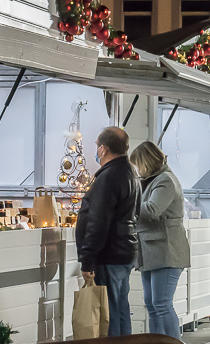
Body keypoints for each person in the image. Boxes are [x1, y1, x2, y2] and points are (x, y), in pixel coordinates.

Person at [76, 127, 141, 336]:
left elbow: (98, 221)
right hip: (125, 251)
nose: (96, 150)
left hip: (109, 253)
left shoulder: (108, 177)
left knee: (108, 312)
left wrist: (87, 259)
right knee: (120, 308)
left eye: (97, 146)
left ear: (103, 149)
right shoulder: (131, 173)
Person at [129, 141, 191, 340]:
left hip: (166, 250)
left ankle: (173, 342)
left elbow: (152, 210)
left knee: (162, 304)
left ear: (146, 162)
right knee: (152, 305)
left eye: (138, 164)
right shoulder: (150, 180)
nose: (137, 169)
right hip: (151, 251)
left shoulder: (165, 180)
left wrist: (127, 203)